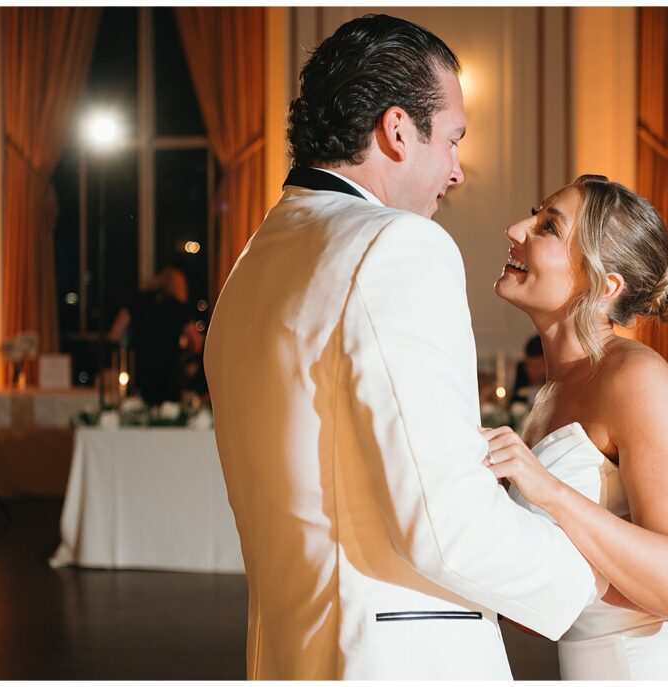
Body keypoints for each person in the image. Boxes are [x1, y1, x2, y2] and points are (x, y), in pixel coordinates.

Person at [203, 15, 604, 681]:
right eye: (452, 140)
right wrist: (590, 577)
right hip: (399, 659)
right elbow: (445, 521)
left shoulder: (251, 264)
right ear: (396, 130)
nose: (456, 170)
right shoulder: (397, 245)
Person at [482, 174, 668, 679]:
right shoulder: (552, 392)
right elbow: (554, 598)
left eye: (548, 227)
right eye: (535, 215)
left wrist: (550, 492)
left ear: (604, 286)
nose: (515, 229)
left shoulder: (636, 378)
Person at [109, 267, 203, 406]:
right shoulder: (177, 306)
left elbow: (115, 334)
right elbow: (196, 341)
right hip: (169, 371)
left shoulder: (138, 300)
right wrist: (190, 359)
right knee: (169, 411)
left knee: (138, 409)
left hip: (141, 369)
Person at [508, 334, 547, 407]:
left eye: (537, 367)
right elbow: (514, 403)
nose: (531, 372)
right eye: (528, 366)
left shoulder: (558, 382)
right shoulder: (520, 370)